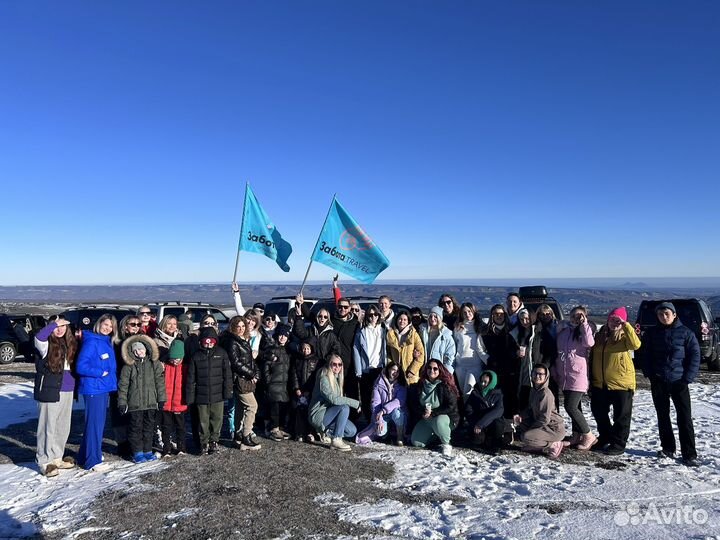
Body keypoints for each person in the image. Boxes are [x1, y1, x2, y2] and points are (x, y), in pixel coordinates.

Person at [641, 302, 701, 467]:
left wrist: (687, 378)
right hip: (659, 380)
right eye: (660, 314)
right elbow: (645, 353)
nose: (663, 316)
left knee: (684, 417)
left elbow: (695, 355)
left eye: (667, 313)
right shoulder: (652, 333)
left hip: (679, 381)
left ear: (674, 314)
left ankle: (689, 453)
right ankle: (668, 448)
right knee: (663, 416)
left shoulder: (686, 333)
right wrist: (649, 373)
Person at [590, 307, 641, 455]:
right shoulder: (600, 335)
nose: (614, 322)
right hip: (600, 382)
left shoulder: (626, 336)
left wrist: (626, 325)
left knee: (621, 416)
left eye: (617, 320)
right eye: (612, 319)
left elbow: (636, 345)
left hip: (621, 383)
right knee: (599, 412)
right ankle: (605, 436)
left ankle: (618, 444)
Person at [33, 316, 78, 477]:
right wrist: (53, 324)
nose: (60, 329)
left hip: (67, 389)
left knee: (62, 426)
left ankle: (57, 457)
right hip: (49, 390)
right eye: (56, 327)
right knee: (47, 427)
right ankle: (45, 461)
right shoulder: (45, 345)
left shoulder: (69, 343)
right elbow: (39, 337)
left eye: (63, 326)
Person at [75, 314, 119, 472]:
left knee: (95, 424)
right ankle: (92, 461)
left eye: (111, 326)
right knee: (95, 425)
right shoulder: (92, 341)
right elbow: (81, 366)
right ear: (98, 324)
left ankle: (84, 456)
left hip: (102, 388)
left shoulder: (105, 342)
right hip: (94, 388)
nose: (108, 328)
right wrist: (100, 372)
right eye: (105, 324)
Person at [117, 334, 166, 463]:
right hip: (135, 404)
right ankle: (137, 452)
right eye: (137, 350)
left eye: (142, 349)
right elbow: (123, 385)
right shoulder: (128, 367)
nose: (140, 352)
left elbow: (159, 382)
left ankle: (147, 450)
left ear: (147, 349)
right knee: (135, 429)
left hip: (151, 402)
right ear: (132, 352)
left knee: (149, 428)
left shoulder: (154, 364)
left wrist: (161, 399)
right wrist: (122, 402)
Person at [553, 306, 597, 450]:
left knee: (570, 406)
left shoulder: (585, 330)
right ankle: (576, 435)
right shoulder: (564, 331)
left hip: (578, 375)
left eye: (579, 316)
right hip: (564, 375)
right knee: (576, 406)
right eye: (573, 316)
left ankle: (588, 435)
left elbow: (590, 343)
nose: (576, 319)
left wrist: (584, 324)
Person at [185, 326, 232, 455]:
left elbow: (227, 374)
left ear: (215, 340)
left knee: (217, 419)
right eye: (206, 340)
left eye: (211, 340)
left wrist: (228, 391)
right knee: (203, 420)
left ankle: (214, 441)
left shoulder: (221, 353)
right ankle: (203, 442)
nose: (209, 343)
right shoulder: (196, 356)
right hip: (201, 396)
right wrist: (189, 397)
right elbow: (190, 378)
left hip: (218, 395)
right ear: (201, 341)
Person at [219, 315, 261, 450]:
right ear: (233, 327)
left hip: (245, 378)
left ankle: (238, 434)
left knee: (240, 407)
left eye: (243, 326)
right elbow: (236, 362)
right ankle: (246, 436)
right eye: (238, 326)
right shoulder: (233, 341)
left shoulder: (243, 340)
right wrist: (251, 373)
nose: (241, 329)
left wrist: (256, 372)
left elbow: (250, 360)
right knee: (252, 406)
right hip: (240, 379)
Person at [308, 354, 360, 451]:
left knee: (352, 431)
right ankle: (336, 440)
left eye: (339, 365)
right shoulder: (323, 378)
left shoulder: (336, 378)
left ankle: (325, 433)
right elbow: (334, 400)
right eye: (334, 364)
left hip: (330, 414)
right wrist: (355, 403)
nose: (337, 367)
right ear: (329, 364)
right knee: (344, 407)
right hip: (319, 415)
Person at [513, 364, 565, 459]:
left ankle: (553, 444)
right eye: (535, 373)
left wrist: (531, 429)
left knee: (526, 436)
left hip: (553, 428)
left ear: (546, 376)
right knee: (521, 425)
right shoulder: (534, 390)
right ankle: (536, 444)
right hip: (542, 425)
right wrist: (521, 416)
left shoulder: (546, 394)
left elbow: (544, 419)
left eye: (541, 374)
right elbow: (530, 409)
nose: (537, 376)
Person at [409, 359, 460, 456]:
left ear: (440, 370)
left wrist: (433, 413)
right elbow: (414, 404)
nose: (432, 370)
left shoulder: (445, 385)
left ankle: (446, 444)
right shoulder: (420, 384)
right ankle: (437, 436)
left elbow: (451, 406)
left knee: (439, 422)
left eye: (435, 368)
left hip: (444, 417)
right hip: (427, 418)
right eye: (429, 368)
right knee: (416, 442)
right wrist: (422, 412)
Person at [356, 362, 408, 446]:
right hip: (382, 414)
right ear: (388, 369)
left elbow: (399, 401)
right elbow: (375, 403)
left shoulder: (401, 384)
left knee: (397, 414)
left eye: (398, 371)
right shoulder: (378, 383)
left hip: (395, 413)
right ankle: (386, 434)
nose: (395, 373)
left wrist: (383, 410)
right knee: (379, 431)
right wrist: (378, 419)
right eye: (393, 370)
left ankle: (400, 436)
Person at [353, 305, 387, 423]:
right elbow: (356, 350)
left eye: (375, 314)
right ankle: (369, 421)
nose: (373, 317)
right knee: (366, 397)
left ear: (379, 316)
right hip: (366, 369)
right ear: (367, 316)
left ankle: (379, 422)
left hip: (380, 369)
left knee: (379, 398)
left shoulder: (383, 331)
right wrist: (358, 370)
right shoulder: (362, 331)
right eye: (370, 315)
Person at [484, 305, 517, 417]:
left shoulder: (512, 329)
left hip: (509, 369)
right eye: (495, 314)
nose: (499, 316)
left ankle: (508, 426)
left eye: (501, 313)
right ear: (491, 316)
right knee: (493, 397)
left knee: (509, 397)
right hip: (493, 369)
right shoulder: (486, 331)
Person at [262, 325, 294, 442]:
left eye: (285, 335)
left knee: (283, 407)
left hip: (284, 384)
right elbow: (265, 367)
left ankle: (280, 427)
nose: (282, 338)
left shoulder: (288, 351)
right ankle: (273, 428)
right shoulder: (272, 349)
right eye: (281, 335)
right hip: (274, 383)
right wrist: (268, 381)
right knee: (274, 407)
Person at [464, 370, 505, 454]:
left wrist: (481, 424)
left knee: (498, 422)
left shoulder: (498, 395)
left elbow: (498, 411)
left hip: (489, 424)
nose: (482, 384)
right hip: (478, 424)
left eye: (485, 382)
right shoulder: (475, 393)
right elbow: (468, 410)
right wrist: (475, 423)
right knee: (477, 440)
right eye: (481, 381)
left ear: (491, 382)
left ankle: (495, 445)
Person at [160, 339, 189, 456]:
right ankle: (166, 448)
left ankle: (182, 447)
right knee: (166, 427)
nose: (175, 361)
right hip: (166, 404)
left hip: (179, 403)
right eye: (173, 359)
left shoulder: (185, 367)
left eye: (178, 359)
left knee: (180, 427)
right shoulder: (165, 366)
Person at [452, 302, 489, 394]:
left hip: (475, 364)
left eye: (469, 311)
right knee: (462, 392)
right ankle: (466, 409)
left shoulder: (481, 325)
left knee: (468, 391)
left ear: (474, 311)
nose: (467, 314)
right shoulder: (458, 328)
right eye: (464, 312)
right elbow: (455, 344)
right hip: (460, 365)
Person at [291, 338, 322, 442]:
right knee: (299, 411)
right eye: (304, 349)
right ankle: (299, 433)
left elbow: (315, 377)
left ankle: (310, 432)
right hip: (300, 390)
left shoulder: (316, 360)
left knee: (310, 411)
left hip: (310, 391)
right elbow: (294, 375)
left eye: (308, 349)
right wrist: (296, 388)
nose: (306, 351)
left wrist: (310, 390)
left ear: (311, 349)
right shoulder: (297, 359)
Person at [386, 310, 425, 385]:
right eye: (400, 319)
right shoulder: (391, 334)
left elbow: (421, 355)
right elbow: (388, 353)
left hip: (410, 376)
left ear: (408, 321)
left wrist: (412, 371)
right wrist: (391, 368)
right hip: (395, 374)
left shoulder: (414, 335)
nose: (402, 321)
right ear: (396, 320)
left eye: (405, 319)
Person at [508, 308, 535, 410]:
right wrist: (516, 353)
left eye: (527, 319)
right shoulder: (514, 333)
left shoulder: (536, 332)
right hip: (520, 370)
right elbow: (509, 351)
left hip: (534, 369)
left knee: (534, 399)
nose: (524, 322)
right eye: (522, 319)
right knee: (521, 397)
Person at [420, 306, 456, 374]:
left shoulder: (446, 334)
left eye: (435, 316)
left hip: (439, 371)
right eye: (430, 316)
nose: (432, 319)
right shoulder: (423, 331)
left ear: (440, 318)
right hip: (425, 370)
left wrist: (445, 372)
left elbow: (450, 356)